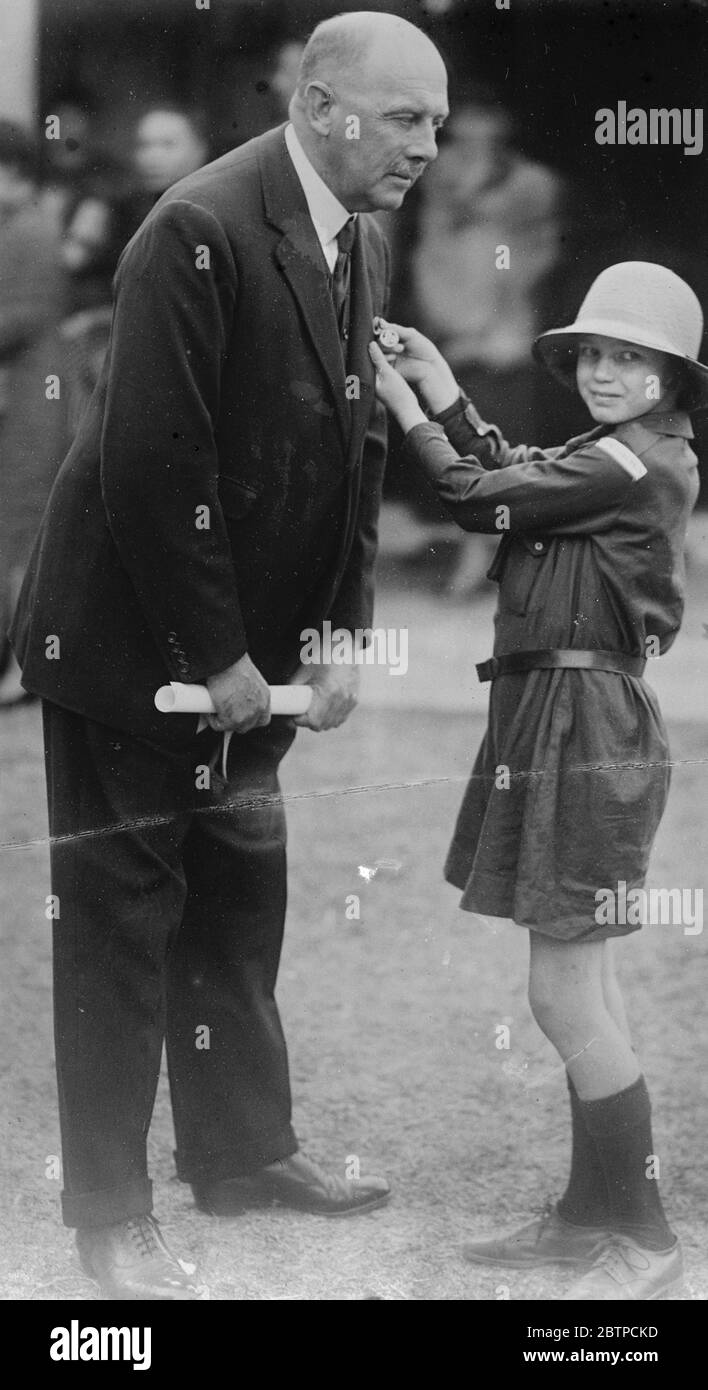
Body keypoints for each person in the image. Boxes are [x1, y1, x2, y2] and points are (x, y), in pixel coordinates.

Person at [10, 12, 448, 1300]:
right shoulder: (194, 229)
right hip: (131, 651)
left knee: (238, 899)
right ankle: (105, 1211)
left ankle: (246, 1153)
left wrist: (343, 632)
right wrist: (221, 657)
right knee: (118, 927)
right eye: (406, 117)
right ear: (322, 107)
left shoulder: (352, 232)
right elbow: (157, 465)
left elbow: (359, 445)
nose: (425, 143)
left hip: (254, 661)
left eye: (435, 118)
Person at [368, 260, 705, 1301]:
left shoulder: (635, 462)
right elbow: (516, 470)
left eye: (630, 358)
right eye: (594, 354)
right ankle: (586, 1215)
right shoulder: (613, 454)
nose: (605, 370)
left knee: (562, 991)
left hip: (584, 724)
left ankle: (641, 1233)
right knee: (581, 981)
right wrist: (441, 383)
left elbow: (480, 499)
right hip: (560, 715)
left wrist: (396, 404)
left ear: (670, 378)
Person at [0, 122, 67, 706]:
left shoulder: (31, 228)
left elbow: (22, 317)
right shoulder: (17, 224)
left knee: (21, 532)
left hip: (33, 392)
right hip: (18, 390)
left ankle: (28, 666)